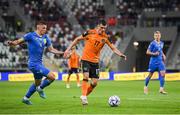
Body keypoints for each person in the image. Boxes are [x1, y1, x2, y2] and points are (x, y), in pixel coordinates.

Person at [64, 19, 126, 105]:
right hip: (85, 59)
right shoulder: (90, 32)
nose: (103, 30)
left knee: (94, 83)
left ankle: (84, 95)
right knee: (85, 76)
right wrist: (67, 49)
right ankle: (84, 96)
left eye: (104, 28)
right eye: (101, 27)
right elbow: (77, 39)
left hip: (95, 62)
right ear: (98, 26)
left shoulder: (105, 37)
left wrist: (120, 54)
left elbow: (113, 48)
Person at [7, 21, 64, 105]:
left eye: (46, 28)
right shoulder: (30, 35)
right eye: (44, 28)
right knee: (52, 76)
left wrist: (62, 53)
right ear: (38, 27)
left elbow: (51, 50)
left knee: (37, 82)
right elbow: (19, 41)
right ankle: (40, 89)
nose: (45, 30)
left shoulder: (45, 37)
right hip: (33, 64)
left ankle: (26, 98)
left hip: (39, 64)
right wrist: (12, 43)